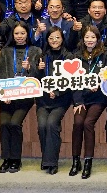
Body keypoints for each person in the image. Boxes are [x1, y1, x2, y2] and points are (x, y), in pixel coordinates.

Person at [0, 23, 37, 174]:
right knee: (4, 124)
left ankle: (16, 159)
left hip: (25, 96)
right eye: (17, 33)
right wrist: (3, 94)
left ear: (27, 34)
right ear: (12, 35)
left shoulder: (35, 51)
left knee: (14, 123)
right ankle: (6, 159)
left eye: (22, 33)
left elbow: (38, 78)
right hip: (7, 96)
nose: (19, 36)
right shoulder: (6, 51)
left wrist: (30, 68)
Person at [68, 26, 107, 177]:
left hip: (98, 98)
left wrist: (99, 84)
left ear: (98, 39)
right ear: (83, 39)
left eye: (93, 37)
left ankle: (88, 162)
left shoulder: (105, 55)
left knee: (88, 123)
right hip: (81, 98)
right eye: (87, 37)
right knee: (78, 123)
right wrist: (77, 102)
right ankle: (75, 160)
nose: (90, 40)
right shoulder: (76, 56)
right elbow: (73, 81)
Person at [36, 28, 73, 175]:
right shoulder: (42, 56)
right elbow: (35, 80)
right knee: (42, 126)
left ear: (62, 39)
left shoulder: (69, 57)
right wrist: (38, 69)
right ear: (47, 40)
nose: (54, 41)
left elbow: (71, 80)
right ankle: (47, 159)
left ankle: (51, 162)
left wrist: (57, 92)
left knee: (52, 124)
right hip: (43, 99)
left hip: (61, 100)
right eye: (51, 38)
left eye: (57, 37)